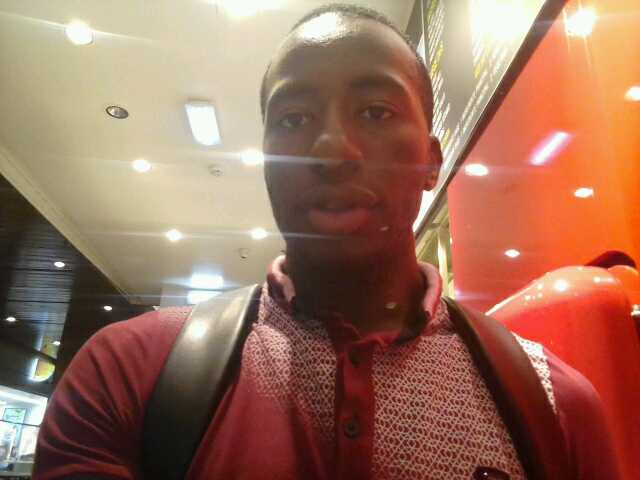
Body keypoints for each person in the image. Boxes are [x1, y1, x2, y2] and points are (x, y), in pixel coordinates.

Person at [33, 4, 619, 479]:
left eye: (375, 111)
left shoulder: (553, 403)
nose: (332, 149)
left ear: (431, 161)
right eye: (293, 119)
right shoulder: (130, 374)